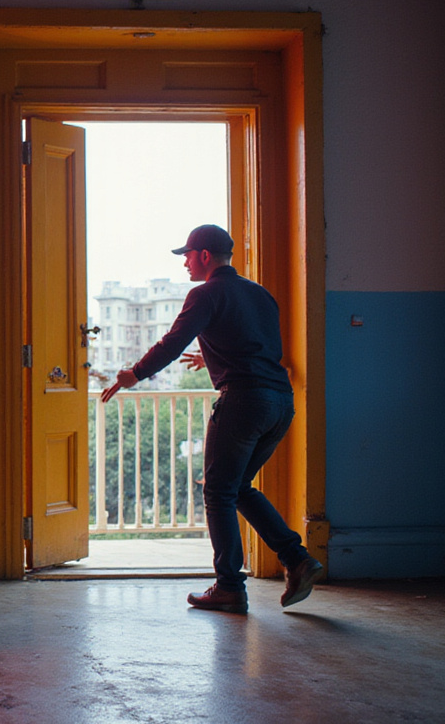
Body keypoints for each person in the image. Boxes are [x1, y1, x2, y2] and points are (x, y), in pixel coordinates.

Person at [99, 224, 323, 614]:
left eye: (187, 255)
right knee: (236, 488)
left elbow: (172, 343)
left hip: (242, 403)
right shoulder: (260, 294)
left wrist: (132, 374)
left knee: (217, 491)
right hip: (278, 403)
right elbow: (262, 347)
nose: (185, 263)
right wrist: (213, 358)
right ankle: (297, 559)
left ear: (204, 256)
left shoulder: (204, 293)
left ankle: (229, 587)